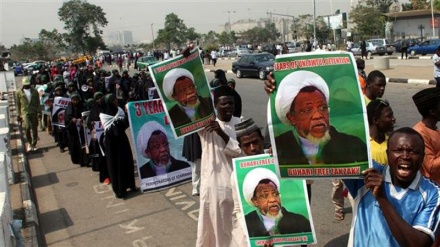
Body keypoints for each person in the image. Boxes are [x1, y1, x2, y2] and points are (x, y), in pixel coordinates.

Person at [344, 127, 440, 247]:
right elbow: (337, 148)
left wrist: (382, 198)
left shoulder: (433, 193)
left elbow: (418, 243)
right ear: (387, 154)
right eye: (398, 150)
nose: (405, 156)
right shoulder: (368, 173)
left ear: (422, 157)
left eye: (413, 151)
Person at [273, 70, 368, 166]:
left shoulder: (352, 145)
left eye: (323, 108)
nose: (318, 116)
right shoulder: (279, 147)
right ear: (292, 118)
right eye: (307, 110)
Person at [196, 86, 242, 247]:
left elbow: (239, 151)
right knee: (214, 230)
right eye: (223, 104)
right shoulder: (205, 126)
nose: (228, 107)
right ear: (215, 106)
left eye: (231, 103)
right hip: (214, 187)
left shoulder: (240, 123)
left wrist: (221, 132)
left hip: (235, 186)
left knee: (236, 229)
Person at [242, 167, 312, 237]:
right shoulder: (246, 223)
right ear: (255, 201)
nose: (273, 199)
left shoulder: (299, 221)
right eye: (265, 196)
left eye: (275, 194)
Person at [99, 94, 137, 199]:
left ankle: (131, 185)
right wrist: (116, 123)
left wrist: (127, 114)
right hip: (112, 144)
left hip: (122, 140)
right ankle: (120, 190)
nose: (116, 101)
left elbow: (124, 125)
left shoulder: (119, 111)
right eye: (113, 100)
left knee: (127, 160)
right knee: (116, 164)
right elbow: (109, 130)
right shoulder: (103, 115)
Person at [412, 87, 440, 183]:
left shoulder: (434, 129)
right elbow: (431, 167)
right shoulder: (420, 133)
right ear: (432, 112)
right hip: (432, 188)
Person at [15, 77, 42, 152]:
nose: (27, 86)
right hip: (25, 112)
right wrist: (18, 115)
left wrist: (39, 112)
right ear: (23, 84)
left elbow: (38, 103)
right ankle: (29, 143)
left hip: (33, 111)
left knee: (34, 129)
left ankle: (34, 144)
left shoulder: (34, 91)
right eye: (25, 85)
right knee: (27, 127)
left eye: (28, 84)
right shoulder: (18, 92)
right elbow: (18, 104)